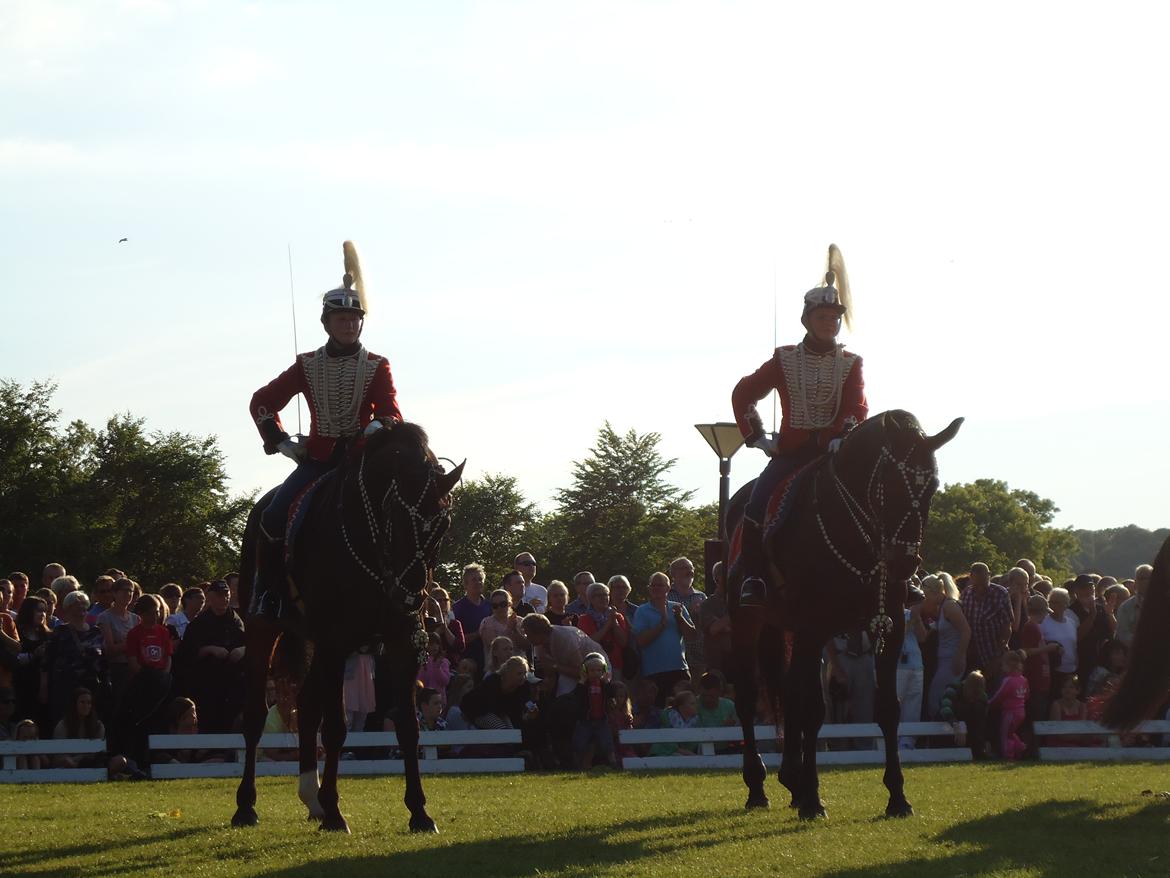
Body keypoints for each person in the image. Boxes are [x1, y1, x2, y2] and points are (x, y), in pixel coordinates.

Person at [249, 241, 401, 610]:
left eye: (354, 319)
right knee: (272, 515)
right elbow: (263, 402)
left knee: (407, 513)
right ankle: (271, 594)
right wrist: (283, 442)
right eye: (341, 320)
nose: (349, 325)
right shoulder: (307, 364)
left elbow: (392, 414)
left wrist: (375, 429)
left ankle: (407, 597)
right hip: (317, 461)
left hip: (362, 461)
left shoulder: (377, 365)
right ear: (327, 323)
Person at [731, 244, 867, 606]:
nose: (830, 323)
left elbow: (857, 404)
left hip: (836, 453)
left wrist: (843, 434)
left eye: (835, 318)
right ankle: (753, 578)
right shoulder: (785, 358)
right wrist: (758, 437)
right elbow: (744, 393)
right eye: (823, 317)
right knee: (757, 503)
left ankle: (889, 580)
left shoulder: (851, 363)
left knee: (877, 499)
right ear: (808, 320)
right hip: (791, 453)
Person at [175, 580, 245, 733]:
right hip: (207, 684)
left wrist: (242, 649)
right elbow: (186, 655)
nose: (224, 599)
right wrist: (209, 649)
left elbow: (250, 643)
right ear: (210, 597)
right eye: (219, 595)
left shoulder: (236, 620)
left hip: (233, 683)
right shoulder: (199, 624)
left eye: (226, 595)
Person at [42, 591, 108, 727]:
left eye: (84, 604)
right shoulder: (60, 631)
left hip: (91, 686)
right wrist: (44, 686)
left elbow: (103, 661)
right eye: (77, 604)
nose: (82, 607)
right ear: (68, 608)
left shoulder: (96, 632)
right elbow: (46, 661)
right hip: (65, 686)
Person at [633, 572, 695, 704]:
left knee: (683, 709)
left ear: (668, 588)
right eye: (653, 585)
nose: (656, 588)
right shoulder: (642, 611)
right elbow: (641, 641)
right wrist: (661, 625)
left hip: (679, 669)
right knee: (658, 713)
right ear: (649, 589)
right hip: (653, 672)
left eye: (660, 585)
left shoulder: (678, 608)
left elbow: (691, 636)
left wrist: (679, 618)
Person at [921, 573, 971, 720]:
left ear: (934, 592)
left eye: (926, 595)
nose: (925, 599)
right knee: (938, 697)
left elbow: (966, 631)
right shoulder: (942, 607)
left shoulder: (949, 606)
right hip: (945, 658)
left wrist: (960, 656)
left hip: (952, 659)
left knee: (937, 698)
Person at [959, 563, 1013, 682]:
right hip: (972, 653)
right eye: (977, 582)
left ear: (989, 575)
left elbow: (1007, 625)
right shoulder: (966, 594)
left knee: (995, 688)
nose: (981, 587)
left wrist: (999, 652)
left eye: (984, 580)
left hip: (993, 651)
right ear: (971, 577)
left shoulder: (1000, 593)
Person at [96, 578, 140, 706]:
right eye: (124, 590)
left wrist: (126, 644)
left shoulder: (135, 618)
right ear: (114, 593)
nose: (128, 594)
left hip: (134, 668)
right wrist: (131, 643)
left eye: (130, 591)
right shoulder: (105, 617)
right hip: (116, 670)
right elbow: (111, 649)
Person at [571, 652, 619, 770]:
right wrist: (582, 681)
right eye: (592, 670)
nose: (596, 673)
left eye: (599, 670)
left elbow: (612, 694)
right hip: (585, 721)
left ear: (603, 670)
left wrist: (607, 681)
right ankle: (576, 763)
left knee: (607, 742)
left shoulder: (604, 685)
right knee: (579, 743)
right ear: (585, 671)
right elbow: (577, 696)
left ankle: (613, 762)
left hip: (601, 720)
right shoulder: (583, 685)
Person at [575, 582, 630, 679]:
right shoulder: (585, 619)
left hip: (616, 663)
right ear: (591, 599)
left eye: (606, 595)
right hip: (594, 667)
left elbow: (623, 642)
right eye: (599, 595)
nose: (603, 598)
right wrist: (608, 624)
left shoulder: (617, 616)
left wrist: (614, 622)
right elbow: (590, 642)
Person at [666, 557, 706, 675]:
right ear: (673, 574)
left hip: (699, 655)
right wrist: (688, 611)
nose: (689, 571)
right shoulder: (666, 596)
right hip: (675, 654)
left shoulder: (701, 596)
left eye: (691, 568)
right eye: (684, 568)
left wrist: (702, 613)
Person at [988, 651, 1029, 761]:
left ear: (1009, 666)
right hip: (1021, 711)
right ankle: (1020, 746)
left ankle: (1008, 755)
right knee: (1010, 732)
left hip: (1010, 713)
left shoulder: (1008, 680)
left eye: (1003, 665)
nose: (1002, 668)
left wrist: (989, 703)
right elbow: (1027, 695)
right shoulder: (1023, 680)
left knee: (1005, 734)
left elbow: (999, 695)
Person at [1039, 587, 1079, 699]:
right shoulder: (1043, 622)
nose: (1053, 605)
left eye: (1057, 602)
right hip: (1053, 670)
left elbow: (1074, 645)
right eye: (1051, 602)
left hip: (1071, 670)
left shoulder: (1071, 623)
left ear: (1066, 604)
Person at [453, 563, 491, 671]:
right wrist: (477, 634)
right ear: (465, 584)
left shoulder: (490, 606)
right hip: (468, 662)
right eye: (474, 579)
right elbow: (455, 641)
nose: (478, 582)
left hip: (489, 661)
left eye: (480, 579)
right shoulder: (457, 608)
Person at [699, 562, 732, 678]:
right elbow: (714, 628)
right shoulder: (707, 604)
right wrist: (734, 614)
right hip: (717, 666)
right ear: (718, 578)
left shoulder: (743, 603)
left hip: (740, 663)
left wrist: (725, 625)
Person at [478, 589, 527, 664]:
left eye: (503, 604)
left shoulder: (520, 621)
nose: (499, 608)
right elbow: (493, 646)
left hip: (519, 666)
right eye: (495, 606)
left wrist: (515, 630)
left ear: (510, 604)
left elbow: (525, 646)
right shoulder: (487, 622)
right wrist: (509, 628)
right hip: (496, 668)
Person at [1116, 564, 1152, 648]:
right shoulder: (1126, 607)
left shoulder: (1163, 603)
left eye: (1143, 578)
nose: (1140, 582)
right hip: (1136, 653)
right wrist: (1143, 643)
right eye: (1138, 579)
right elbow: (1122, 633)